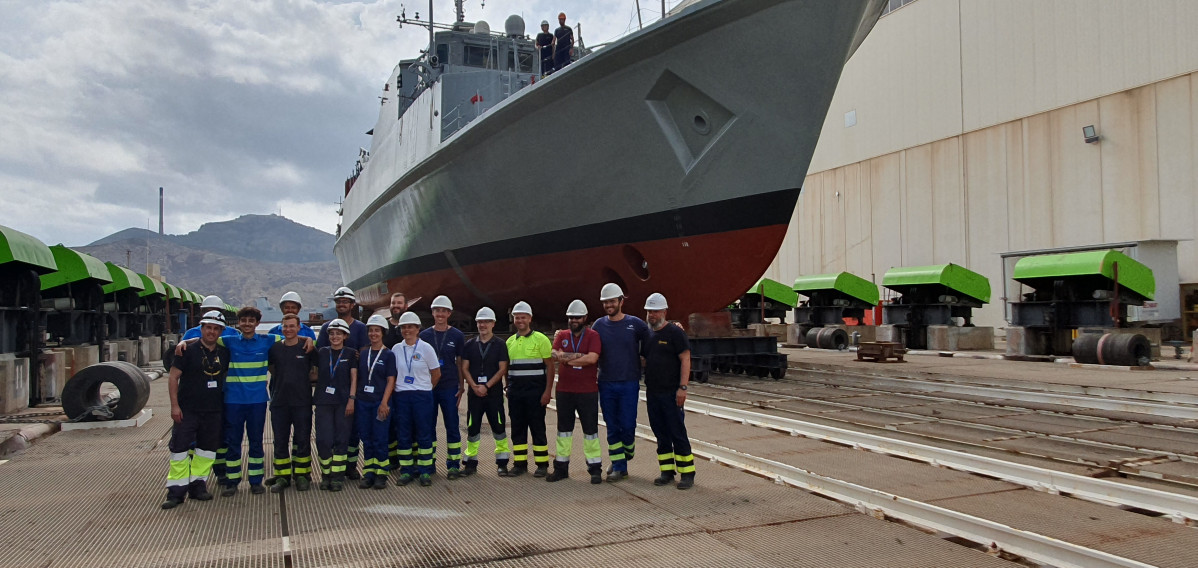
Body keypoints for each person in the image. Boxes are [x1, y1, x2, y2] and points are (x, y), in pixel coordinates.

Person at [161, 310, 229, 510]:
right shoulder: (186, 352)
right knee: (180, 450)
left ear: (221, 331)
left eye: (216, 329)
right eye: (208, 327)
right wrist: (174, 406)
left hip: (213, 410)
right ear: (202, 329)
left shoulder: (224, 353)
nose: (212, 332)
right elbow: (173, 377)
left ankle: (198, 486)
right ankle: (175, 492)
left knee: (206, 451)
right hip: (188, 410)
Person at [591, 282, 649, 482]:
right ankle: (619, 466)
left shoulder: (636, 324)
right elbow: (587, 344)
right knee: (612, 425)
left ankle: (626, 454)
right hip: (606, 382)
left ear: (621, 301)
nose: (609, 305)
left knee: (627, 424)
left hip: (629, 382)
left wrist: (675, 327)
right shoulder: (598, 325)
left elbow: (655, 336)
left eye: (612, 301)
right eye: (605, 302)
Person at [642, 293, 695, 489]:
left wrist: (683, 388)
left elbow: (685, 359)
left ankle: (687, 472)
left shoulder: (675, 333)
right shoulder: (648, 335)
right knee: (660, 432)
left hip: (671, 393)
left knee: (677, 431)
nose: (652, 315)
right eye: (649, 311)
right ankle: (666, 471)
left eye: (655, 311)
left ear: (664, 311)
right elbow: (644, 359)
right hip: (653, 392)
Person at [316, 286, 370, 480]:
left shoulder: (360, 328)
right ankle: (332, 469)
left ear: (352, 304)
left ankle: (350, 465)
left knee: (352, 431)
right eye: (338, 302)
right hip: (330, 388)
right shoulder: (326, 328)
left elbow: (365, 352)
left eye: (345, 302)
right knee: (330, 433)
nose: (341, 305)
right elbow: (320, 353)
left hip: (353, 385)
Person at [549, 299, 603, 484]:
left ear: (585, 318)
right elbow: (554, 355)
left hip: (587, 391)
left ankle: (595, 469)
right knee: (563, 431)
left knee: (591, 431)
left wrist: (567, 358)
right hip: (564, 390)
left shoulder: (593, 335)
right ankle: (561, 469)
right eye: (571, 317)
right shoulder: (562, 334)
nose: (574, 320)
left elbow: (592, 359)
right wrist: (579, 356)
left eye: (577, 317)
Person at [460, 307, 512, 477]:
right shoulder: (469, 345)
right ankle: (471, 462)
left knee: (498, 427)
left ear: (493, 324)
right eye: (480, 322)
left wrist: (487, 386)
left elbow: (502, 368)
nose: (483, 325)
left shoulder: (500, 345)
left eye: (486, 322)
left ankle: (502, 462)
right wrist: (474, 386)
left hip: (493, 394)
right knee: (472, 427)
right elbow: (464, 368)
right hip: (474, 394)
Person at [391, 311, 442, 486]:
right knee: (404, 434)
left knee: (424, 433)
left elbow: (436, 373)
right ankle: (406, 470)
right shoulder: (396, 349)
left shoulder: (426, 348)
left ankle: (425, 470)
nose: (407, 330)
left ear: (417, 329)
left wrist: (426, 387)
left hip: (422, 395)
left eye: (410, 327)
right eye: (404, 327)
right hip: (402, 396)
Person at [504, 301, 555, 477]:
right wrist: (507, 387)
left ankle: (542, 464)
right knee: (517, 429)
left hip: (535, 393)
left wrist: (548, 392)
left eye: (523, 317)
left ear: (530, 318)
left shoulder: (541, 340)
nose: (520, 320)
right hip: (516, 393)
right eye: (517, 317)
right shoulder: (510, 341)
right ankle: (520, 464)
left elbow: (550, 367)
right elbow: (507, 367)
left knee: (537, 428)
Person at [266, 314, 315, 493]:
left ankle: (302, 475)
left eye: (292, 326)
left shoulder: (308, 348)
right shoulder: (275, 349)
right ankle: (282, 476)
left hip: (302, 402)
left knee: (302, 439)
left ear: (299, 327)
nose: (288, 329)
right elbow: (272, 368)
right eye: (285, 326)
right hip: (280, 402)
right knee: (280, 441)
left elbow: (317, 369)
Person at [419, 295, 466, 479]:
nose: (440, 314)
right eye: (437, 310)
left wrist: (461, 386)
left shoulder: (457, 335)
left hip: (449, 387)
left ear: (449, 313)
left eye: (443, 311)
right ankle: (429, 464)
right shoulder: (424, 335)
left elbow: (460, 361)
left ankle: (453, 465)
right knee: (428, 427)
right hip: (429, 387)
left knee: (452, 426)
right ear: (432, 312)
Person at [314, 319, 358, 491]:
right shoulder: (322, 353)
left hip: (343, 402)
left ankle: (338, 476)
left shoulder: (351, 354)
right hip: (323, 402)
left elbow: (354, 378)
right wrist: (307, 340)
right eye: (331, 334)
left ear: (345, 336)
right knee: (324, 439)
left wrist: (352, 399)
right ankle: (326, 475)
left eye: (339, 333)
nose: (335, 336)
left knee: (341, 439)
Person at [357, 315, 397, 489]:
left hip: (380, 402)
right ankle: (369, 472)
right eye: (371, 330)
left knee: (380, 438)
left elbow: (391, 380)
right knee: (367, 438)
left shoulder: (389, 355)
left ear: (383, 333)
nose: (373, 334)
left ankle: (382, 473)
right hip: (363, 402)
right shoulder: (364, 353)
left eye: (377, 331)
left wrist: (384, 402)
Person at [380, 291, 406, 470]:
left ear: (405, 306)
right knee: (388, 423)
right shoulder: (385, 329)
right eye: (393, 303)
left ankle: (404, 458)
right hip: (386, 383)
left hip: (405, 385)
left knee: (403, 423)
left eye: (399, 303)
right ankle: (391, 459)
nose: (396, 306)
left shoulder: (408, 328)